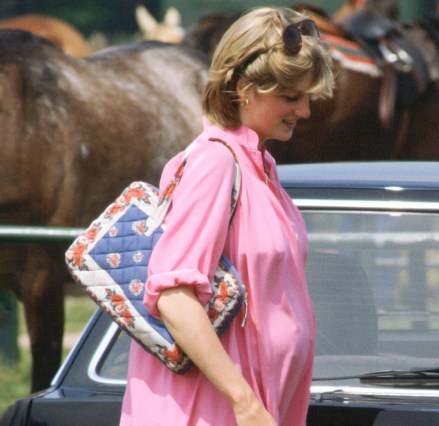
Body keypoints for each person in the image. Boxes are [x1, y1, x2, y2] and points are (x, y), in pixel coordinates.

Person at [120, 6, 335, 426]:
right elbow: (175, 297)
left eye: (307, 96)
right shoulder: (216, 163)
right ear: (242, 88)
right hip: (211, 410)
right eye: (291, 97)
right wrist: (244, 402)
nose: (305, 111)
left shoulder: (258, 164)